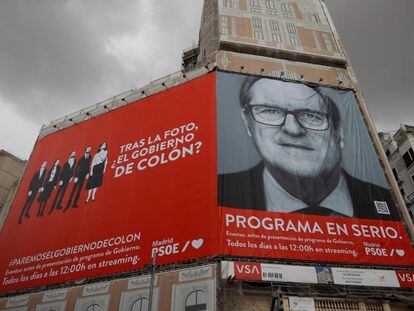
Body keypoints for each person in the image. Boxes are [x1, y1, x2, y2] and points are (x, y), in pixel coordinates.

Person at [218, 77, 399, 220]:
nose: (293, 129)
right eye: (270, 111)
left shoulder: (387, 203)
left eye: (311, 116)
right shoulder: (219, 196)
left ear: (338, 132)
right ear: (248, 123)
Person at [64, 146, 92, 211]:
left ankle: (74, 203)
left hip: (83, 176)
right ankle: (68, 204)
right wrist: (75, 176)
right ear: (85, 150)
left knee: (79, 190)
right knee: (73, 191)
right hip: (78, 176)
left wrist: (88, 173)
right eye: (88, 149)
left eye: (90, 149)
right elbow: (77, 168)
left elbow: (88, 166)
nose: (89, 149)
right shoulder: (81, 158)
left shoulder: (90, 157)